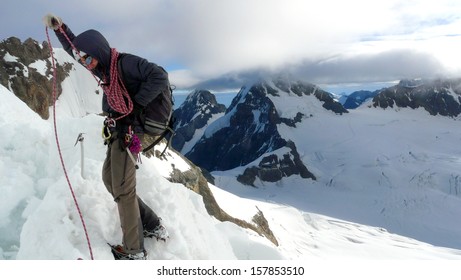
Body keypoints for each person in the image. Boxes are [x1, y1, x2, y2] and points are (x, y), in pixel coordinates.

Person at [43, 14, 169, 260]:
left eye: (87, 57)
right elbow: (74, 49)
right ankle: (151, 223)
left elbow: (160, 76)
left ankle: (134, 249)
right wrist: (60, 28)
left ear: (99, 52)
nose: (84, 62)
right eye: (82, 58)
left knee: (122, 186)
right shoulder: (102, 66)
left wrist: (135, 105)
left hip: (136, 127)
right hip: (121, 125)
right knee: (109, 179)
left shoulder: (125, 64)